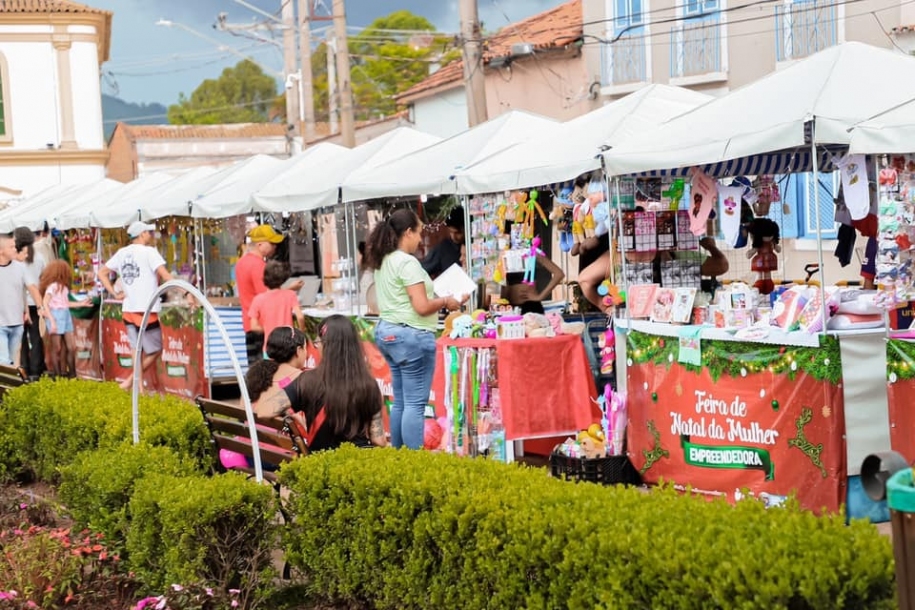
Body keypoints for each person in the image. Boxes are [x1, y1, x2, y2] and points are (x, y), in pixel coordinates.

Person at [365, 208, 465, 449]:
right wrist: (446, 301)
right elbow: (421, 306)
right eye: (419, 232)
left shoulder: (384, 260)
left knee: (401, 401)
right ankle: (414, 460)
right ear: (408, 232)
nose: (421, 239)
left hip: (388, 332)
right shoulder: (407, 263)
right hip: (410, 336)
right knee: (415, 404)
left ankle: (400, 455)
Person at [252, 316, 387, 452]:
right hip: (358, 463)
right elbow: (379, 441)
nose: (317, 348)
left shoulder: (306, 381)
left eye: (318, 343)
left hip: (322, 463)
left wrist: (292, 414)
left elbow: (264, 411)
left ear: (326, 346)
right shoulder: (370, 385)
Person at [98, 221, 174, 391]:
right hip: (146, 309)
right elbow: (166, 275)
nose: (150, 235)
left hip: (128, 308)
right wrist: (186, 291)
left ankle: (138, 389)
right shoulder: (149, 252)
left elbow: (101, 273)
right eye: (148, 232)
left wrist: (114, 293)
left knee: (136, 350)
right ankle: (131, 382)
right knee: (155, 350)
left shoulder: (121, 253)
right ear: (142, 234)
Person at [235, 224, 303, 366]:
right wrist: (290, 289)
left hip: (250, 323)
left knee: (256, 370)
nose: (275, 247)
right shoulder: (258, 265)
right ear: (260, 244)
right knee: (269, 370)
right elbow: (268, 295)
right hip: (264, 327)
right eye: (272, 243)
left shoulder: (241, 262)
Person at [0, 233, 44, 367]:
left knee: (13, 363)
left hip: (17, 323)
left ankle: (10, 387)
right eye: (11, 247)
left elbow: (32, 288)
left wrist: (40, 308)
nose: (15, 249)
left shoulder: (21, 267)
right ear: (1, 250)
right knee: (4, 361)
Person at [39, 259, 85, 377]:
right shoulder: (53, 287)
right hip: (56, 315)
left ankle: (71, 374)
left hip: (65, 314)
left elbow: (65, 303)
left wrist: (82, 303)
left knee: (70, 347)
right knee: (58, 348)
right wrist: (52, 320)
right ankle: (58, 375)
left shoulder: (63, 288)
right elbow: (45, 303)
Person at [248, 260, 304, 353]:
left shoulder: (258, 299)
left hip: (269, 346)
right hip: (288, 344)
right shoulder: (290, 295)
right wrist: (301, 335)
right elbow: (300, 317)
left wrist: (267, 328)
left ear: (264, 278)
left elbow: (254, 327)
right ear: (282, 279)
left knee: (271, 367)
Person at [13, 227, 48, 379]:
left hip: (18, 303)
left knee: (20, 338)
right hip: (36, 302)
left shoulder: (15, 259)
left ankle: (24, 369)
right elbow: (43, 279)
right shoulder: (39, 257)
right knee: (36, 337)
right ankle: (36, 370)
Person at [421, 206, 464, 279]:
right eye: (450, 232)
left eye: (457, 233)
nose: (453, 237)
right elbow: (422, 270)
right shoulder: (442, 249)